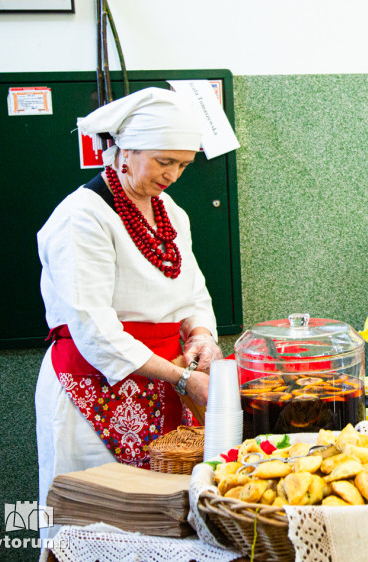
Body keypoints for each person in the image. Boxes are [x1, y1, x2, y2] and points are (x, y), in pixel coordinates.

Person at [35, 87, 225, 516]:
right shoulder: (83, 215)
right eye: (164, 161)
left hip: (168, 383)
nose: (173, 175)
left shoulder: (171, 211)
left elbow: (193, 290)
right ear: (126, 149)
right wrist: (181, 378)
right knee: (93, 515)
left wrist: (202, 335)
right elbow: (93, 328)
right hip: (96, 388)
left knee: (166, 516)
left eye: (183, 164)